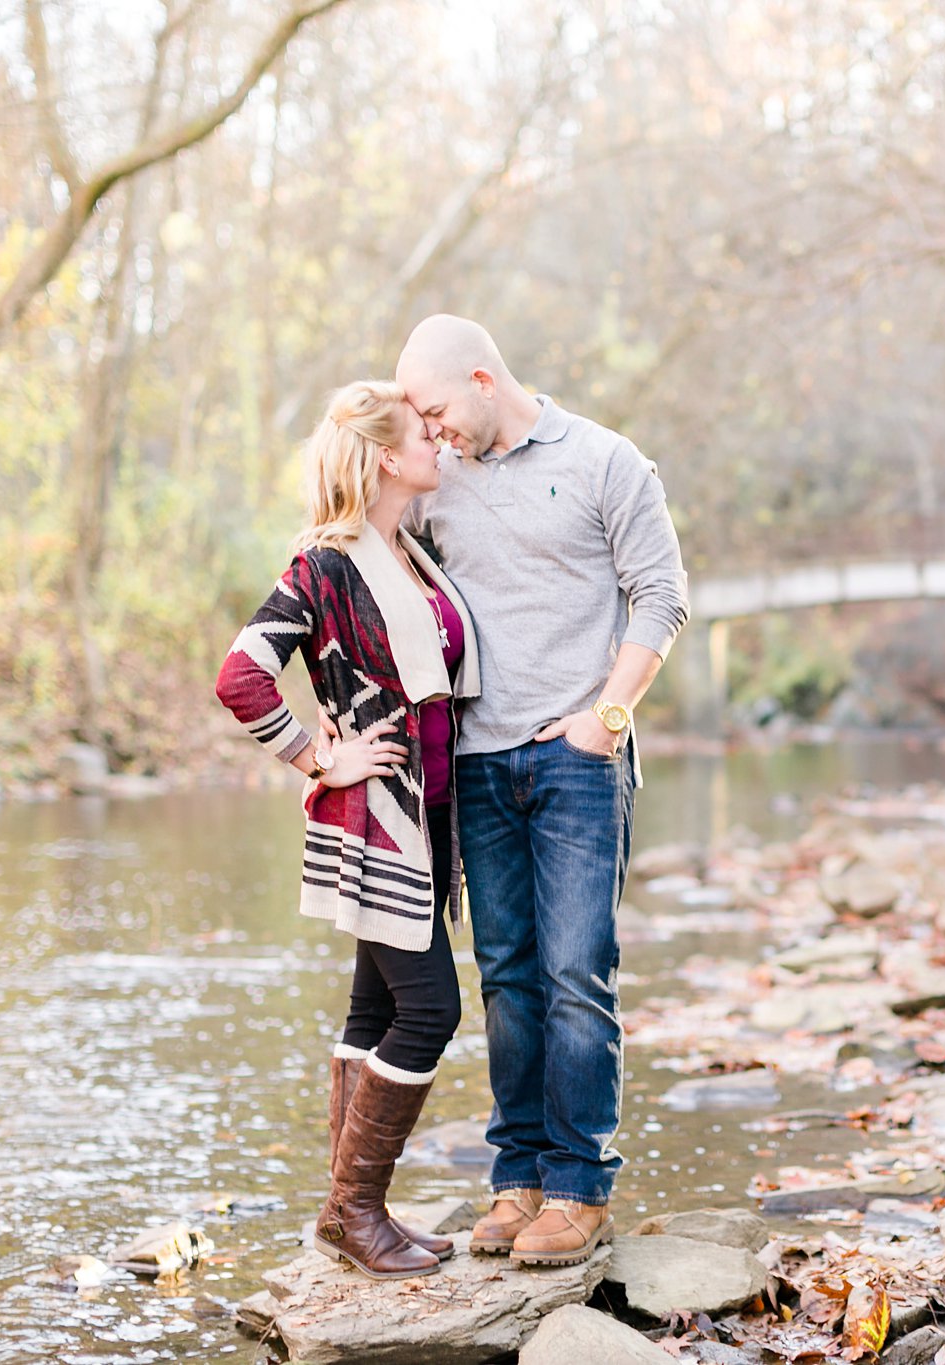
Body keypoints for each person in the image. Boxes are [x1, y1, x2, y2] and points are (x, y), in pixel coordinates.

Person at [391, 314, 689, 1268]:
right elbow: (370, 551)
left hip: (577, 757)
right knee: (509, 980)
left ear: (484, 378)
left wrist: (607, 715)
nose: (433, 433)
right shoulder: (440, 479)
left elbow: (662, 595)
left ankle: (578, 1186)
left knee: (575, 974)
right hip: (477, 763)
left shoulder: (608, 461)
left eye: (438, 411)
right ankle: (516, 1178)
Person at [214, 380, 478, 1280]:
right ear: (382, 457)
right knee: (431, 1008)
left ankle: (355, 1213)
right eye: (421, 436)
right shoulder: (324, 563)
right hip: (377, 818)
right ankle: (353, 1210)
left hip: (430, 815)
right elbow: (242, 675)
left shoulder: (409, 547)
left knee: (376, 1007)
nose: (437, 445)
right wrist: (316, 756)